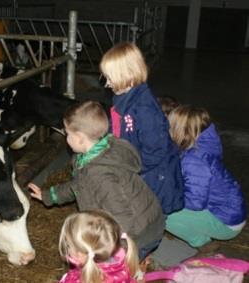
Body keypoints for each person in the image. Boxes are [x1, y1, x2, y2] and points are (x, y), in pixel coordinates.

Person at [28, 101, 165, 260]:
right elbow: (78, 185)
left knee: (110, 270)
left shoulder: (99, 175)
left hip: (139, 235)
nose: (66, 138)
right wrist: (49, 195)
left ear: (79, 138)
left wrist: (114, 251)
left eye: (68, 134)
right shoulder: (103, 149)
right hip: (146, 219)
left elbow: (123, 219)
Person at [99, 42, 183, 215]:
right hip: (135, 166)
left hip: (153, 176)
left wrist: (130, 169)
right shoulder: (123, 99)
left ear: (128, 74)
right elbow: (116, 129)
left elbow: (156, 151)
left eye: (110, 77)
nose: (107, 83)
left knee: (145, 217)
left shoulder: (145, 109)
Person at [166, 105, 247, 247]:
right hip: (227, 212)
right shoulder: (201, 147)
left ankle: (203, 244)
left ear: (180, 130)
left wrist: (167, 197)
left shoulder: (195, 159)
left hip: (226, 222)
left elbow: (195, 203)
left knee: (163, 213)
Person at [58, 210, 139, 283]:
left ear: (80, 254)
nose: (67, 249)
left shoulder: (74, 280)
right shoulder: (125, 266)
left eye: (68, 245)